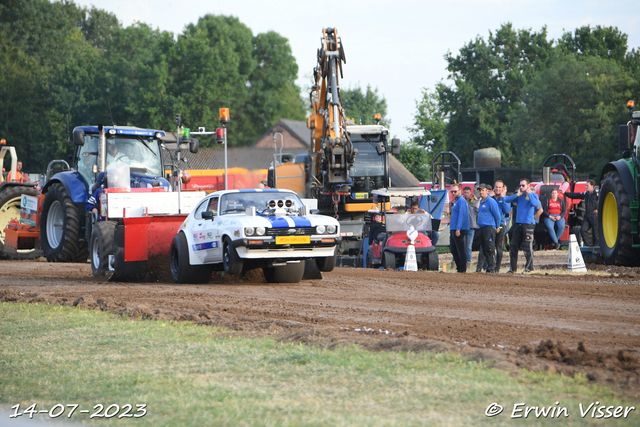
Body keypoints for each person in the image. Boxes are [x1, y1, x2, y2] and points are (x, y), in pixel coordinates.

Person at [504, 178, 540, 273]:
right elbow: (506, 200)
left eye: (523, 185)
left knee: (527, 246)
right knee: (513, 245)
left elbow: (534, 204)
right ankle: (513, 268)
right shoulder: (519, 196)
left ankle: (529, 267)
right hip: (518, 224)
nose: (521, 187)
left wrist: (529, 193)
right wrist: (517, 194)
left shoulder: (533, 195)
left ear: (528, 186)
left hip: (528, 224)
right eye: (520, 185)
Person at [477, 181, 511, 272]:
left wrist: (503, 198)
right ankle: (484, 266)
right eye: (496, 187)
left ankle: (497, 268)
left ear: (503, 188)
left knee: (499, 246)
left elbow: (507, 210)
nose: (498, 189)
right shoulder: (490, 198)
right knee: (487, 246)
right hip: (491, 224)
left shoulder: (505, 198)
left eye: (500, 187)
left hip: (499, 224)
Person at [562, 179, 599, 247]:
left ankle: (596, 247)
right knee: (583, 230)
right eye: (586, 185)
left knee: (595, 232)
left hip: (594, 215)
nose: (586, 187)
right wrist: (565, 193)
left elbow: (602, 202)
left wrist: (598, 209)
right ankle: (588, 246)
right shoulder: (586, 194)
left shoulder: (597, 194)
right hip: (587, 215)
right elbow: (576, 195)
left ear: (592, 186)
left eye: (587, 185)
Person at [449, 184, 469, 273]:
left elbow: (462, 215)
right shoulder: (456, 201)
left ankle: (462, 269)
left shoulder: (461, 201)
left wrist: (458, 228)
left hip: (458, 228)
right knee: (453, 249)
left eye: (455, 191)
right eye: (452, 191)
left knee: (460, 249)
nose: (453, 193)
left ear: (460, 191)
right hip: (453, 228)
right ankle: (459, 267)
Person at [463, 186, 478, 272]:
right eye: (465, 192)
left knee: (468, 246)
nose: (466, 194)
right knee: (461, 245)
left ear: (470, 193)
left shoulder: (474, 202)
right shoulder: (461, 202)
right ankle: (457, 261)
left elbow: (478, 211)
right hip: (462, 227)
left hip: (471, 226)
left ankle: (468, 262)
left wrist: (476, 201)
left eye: (468, 192)